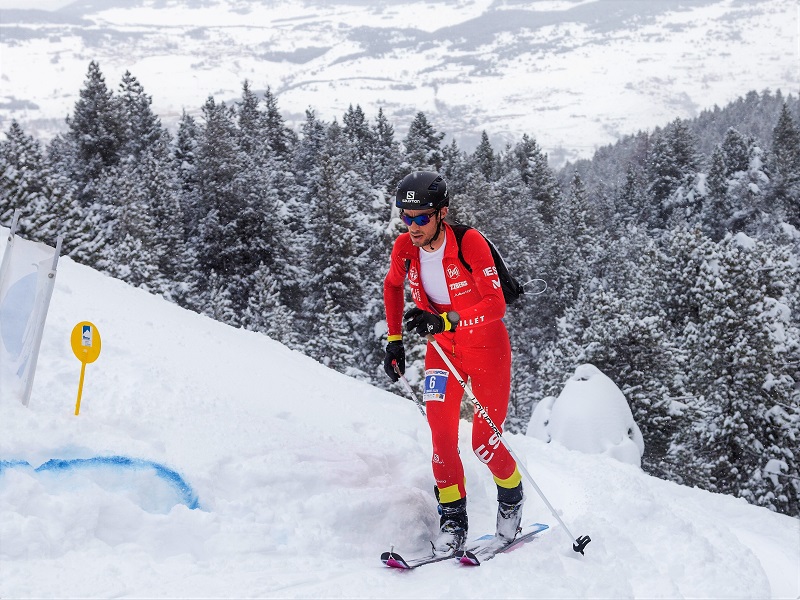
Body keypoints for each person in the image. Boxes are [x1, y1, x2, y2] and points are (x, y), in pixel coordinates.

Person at [382, 170, 524, 553]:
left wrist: (445, 319)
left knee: (484, 443)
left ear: (442, 213)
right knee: (441, 439)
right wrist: (394, 340)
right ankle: (453, 521)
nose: (412, 226)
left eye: (421, 217)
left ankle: (511, 501)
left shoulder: (468, 242)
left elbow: (495, 305)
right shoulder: (405, 249)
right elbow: (392, 286)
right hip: (442, 352)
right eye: (405, 217)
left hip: (487, 349)